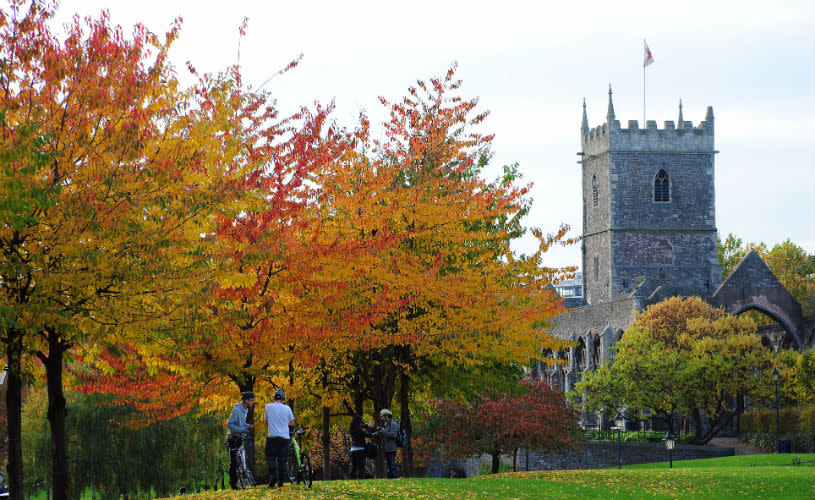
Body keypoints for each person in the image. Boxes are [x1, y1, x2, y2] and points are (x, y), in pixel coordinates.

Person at [263, 388, 295, 487]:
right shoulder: (288, 408)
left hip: (272, 437)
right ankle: (281, 482)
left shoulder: (268, 407)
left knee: (270, 457)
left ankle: (273, 474)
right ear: (283, 398)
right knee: (282, 460)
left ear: (274, 398)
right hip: (285, 438)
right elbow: (291, 423)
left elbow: (266, 422)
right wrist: (285, 423)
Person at [226, 391, 256, 490]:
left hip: (240, 436)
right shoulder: (236, 410)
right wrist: (243, 429)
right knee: (234, 462)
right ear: (246, 400)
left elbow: (240, 423)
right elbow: (229, 424)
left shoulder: (245, 410)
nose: (252, 402)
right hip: (232, 438)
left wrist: (248, 425)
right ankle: (233, 485)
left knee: (242, 458)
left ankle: (245, 474)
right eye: (251, 400)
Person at [349, 413, 375, 479]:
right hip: (360, 450)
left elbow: (360, 427)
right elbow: (369, 435)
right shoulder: (360, 430)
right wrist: (368, 426)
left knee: (354, 467)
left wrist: (364, 425)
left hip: (353, 450)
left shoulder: (352, 429)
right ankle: (361, 481)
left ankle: (351, 480)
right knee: (361, 468)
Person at [378, 408, 399, 479]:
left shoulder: (393, 424)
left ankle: (394, 478)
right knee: (389, 464)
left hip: (391, 448)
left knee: (391, 464)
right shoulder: (386, 424)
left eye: (382, 416)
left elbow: (393, 435)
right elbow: (384, 433)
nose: (381, 418)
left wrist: (383, 432)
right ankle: (391, 478)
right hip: (387, 448)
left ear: (386, 416)